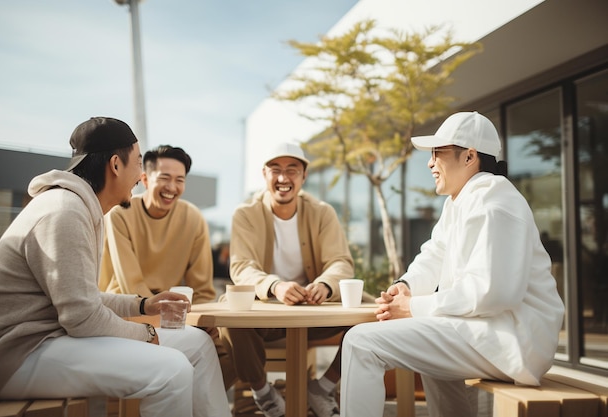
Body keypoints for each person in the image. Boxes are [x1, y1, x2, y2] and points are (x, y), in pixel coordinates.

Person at [0, 117, 230, 417]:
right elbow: (82, 318)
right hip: (17, 356)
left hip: (52, 338)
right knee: (171, 370)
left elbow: (83, 300)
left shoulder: (80, 207)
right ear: (115, 165)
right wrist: (148, 335)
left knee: (198, 344)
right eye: (139, 163)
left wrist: (143, 304)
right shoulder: (64, 211)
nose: (140, 175)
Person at [340, 111, 565, 417]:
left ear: (470, 156)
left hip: (514, 339)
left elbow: (493, 294)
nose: (430, 163)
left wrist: (413, 308)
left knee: (360, 342)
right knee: (428, 344)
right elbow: (434, 253)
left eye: (437, 153)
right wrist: (403, 287)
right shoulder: (460, 200)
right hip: (486, 329)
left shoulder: (495, 203)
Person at [223, 142, 355, 417]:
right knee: (230, 314)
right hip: (265, 316)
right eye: (276, 170)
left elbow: (340, 261)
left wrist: (324, 285)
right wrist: (274, 286)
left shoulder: (322, 212)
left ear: (304, 176)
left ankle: (324, 386)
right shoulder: (245, 214)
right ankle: (264, 394)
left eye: (292, 170)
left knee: (370, 312)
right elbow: (241, 266)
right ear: (264, 174)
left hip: (314, 313)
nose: (283, 178)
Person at [98, 144, 236, 389]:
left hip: (175, 318)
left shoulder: (193, 218)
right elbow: (133, 287)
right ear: (144, 180)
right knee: (184, 360)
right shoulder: (120, 214)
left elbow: (202, 289)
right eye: (164, 178)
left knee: (234, 357)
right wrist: (180, 322)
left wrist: (204, 322)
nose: (172, 187)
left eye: (179, 180)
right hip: (128, 314)